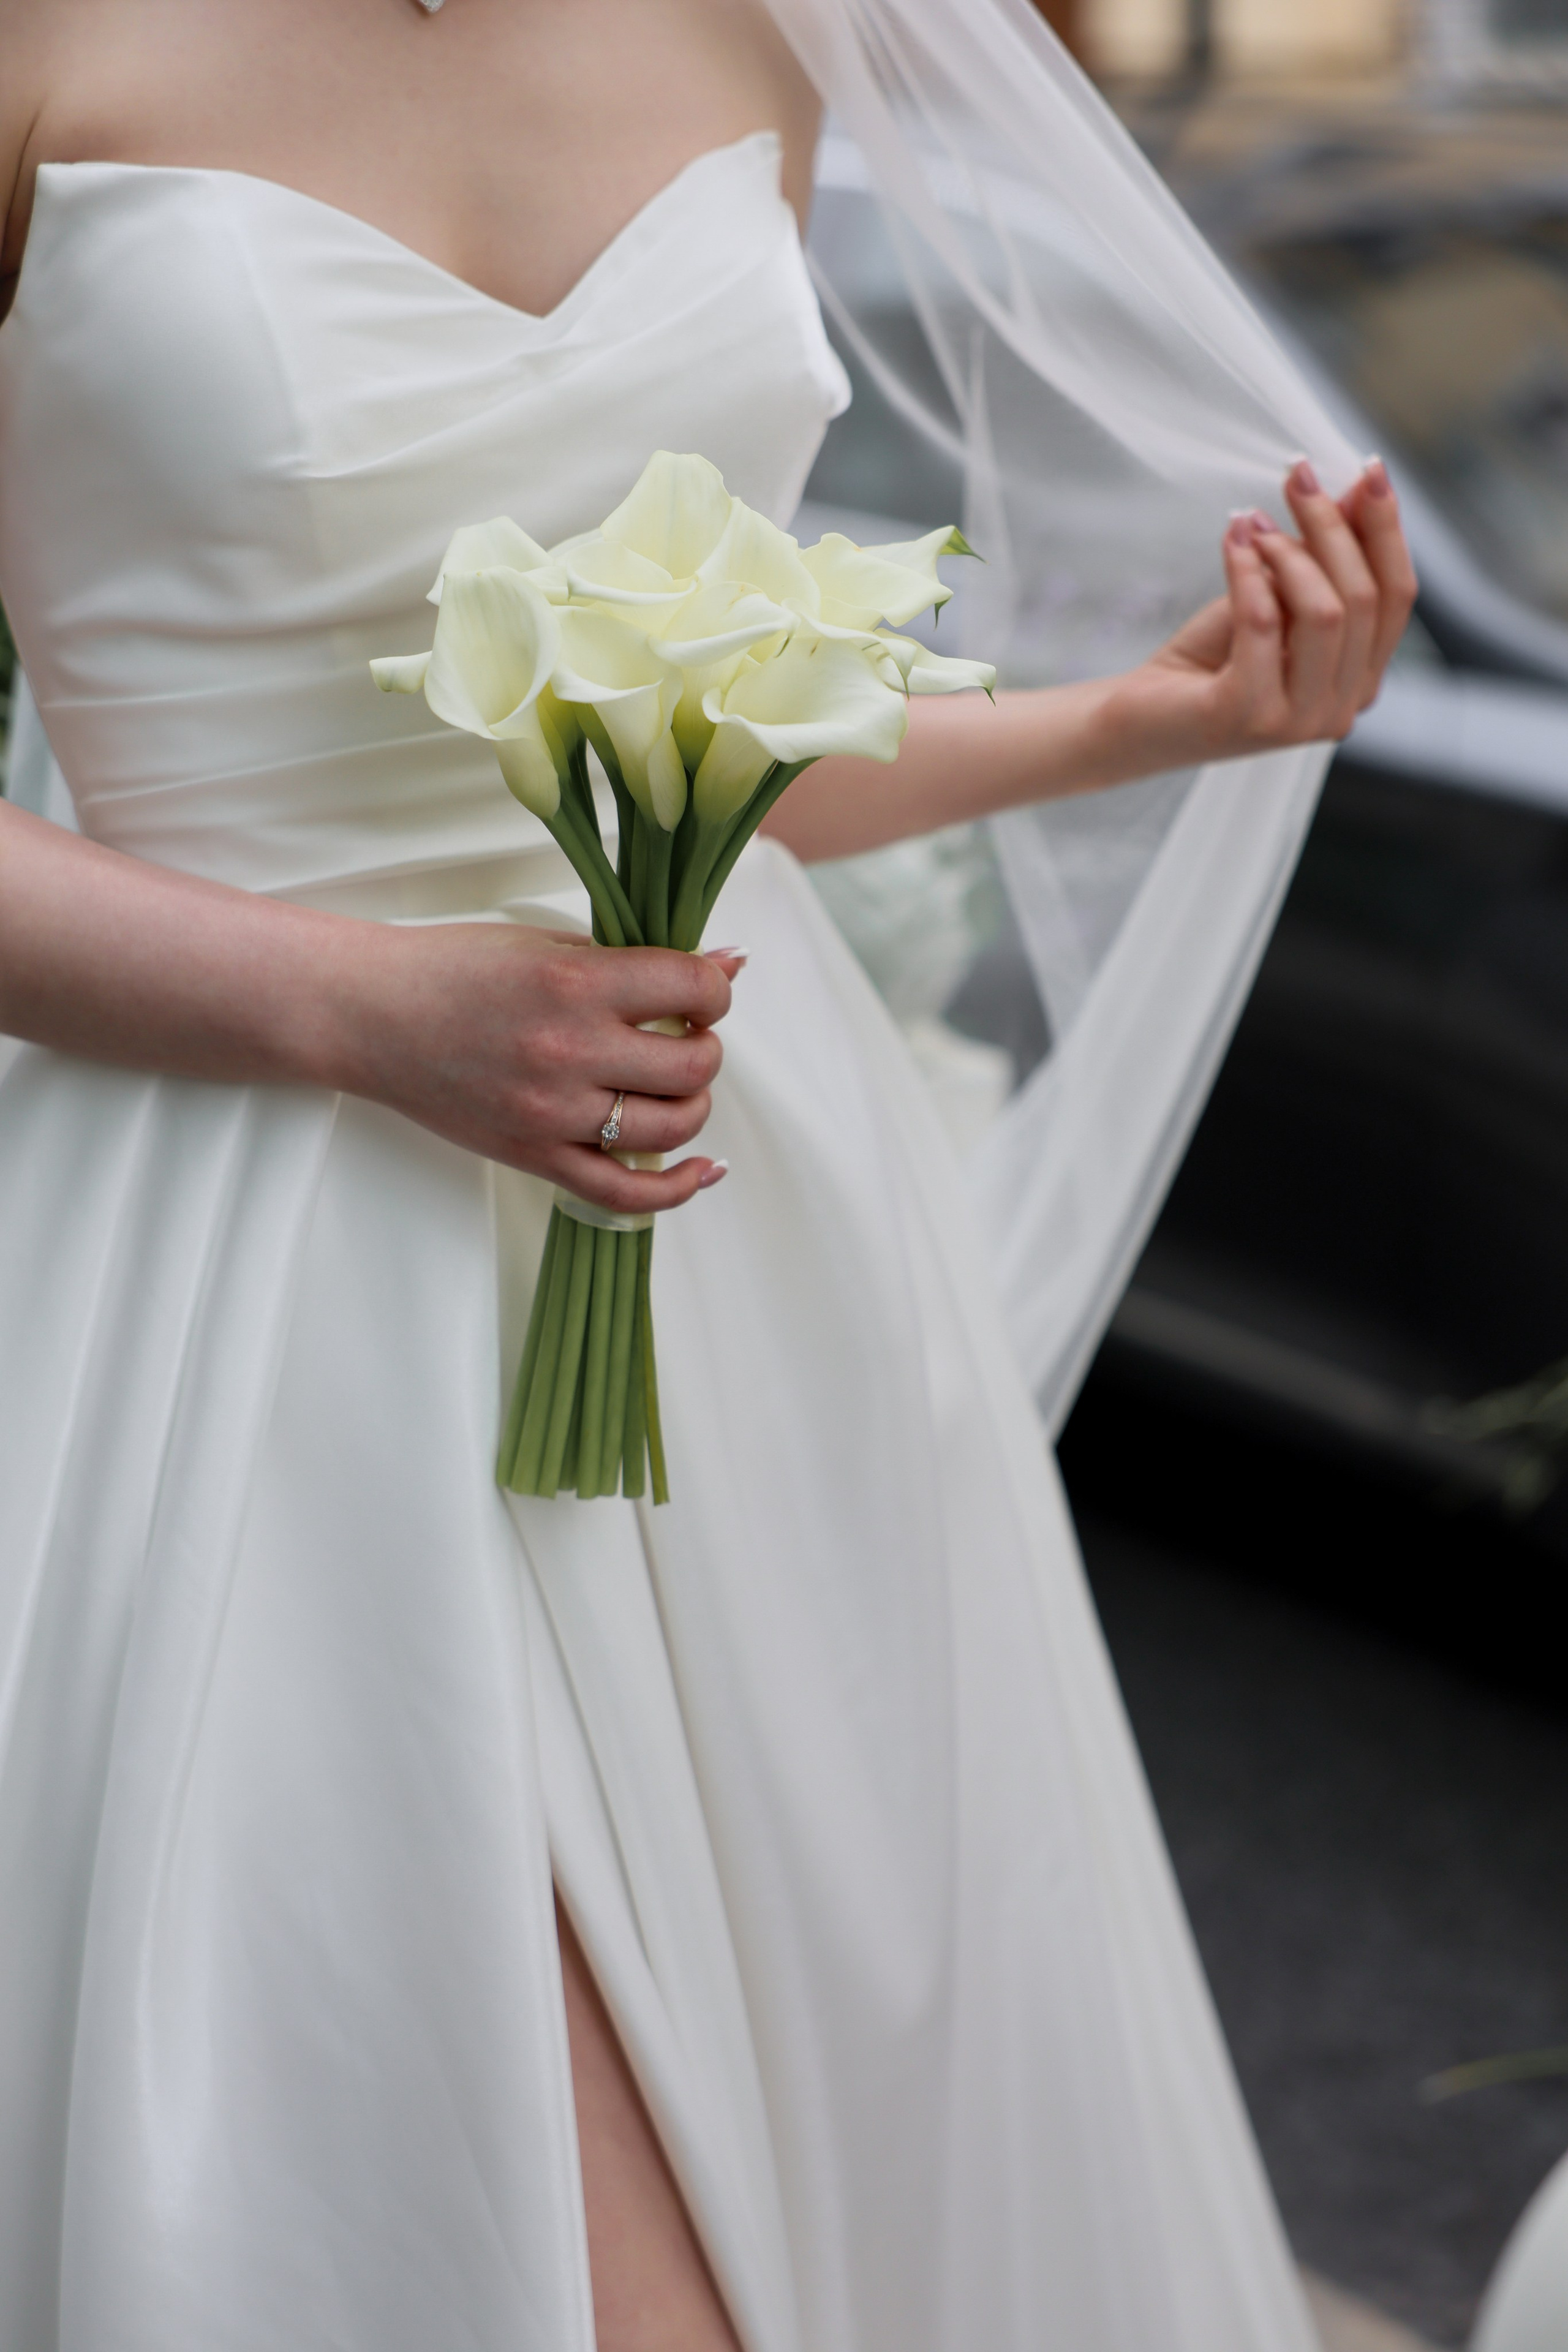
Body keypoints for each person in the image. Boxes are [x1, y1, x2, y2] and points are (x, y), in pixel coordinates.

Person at [0, 4, 1415, 2348]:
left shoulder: (758, 26)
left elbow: (698, 726)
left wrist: (1147, 721)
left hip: (744, 1283)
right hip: (240, 1292)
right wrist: (359, 1011)